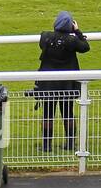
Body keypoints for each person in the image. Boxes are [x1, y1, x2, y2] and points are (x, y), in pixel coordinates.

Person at [34, 11, 89, 151]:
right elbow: (85, 47)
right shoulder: (72, 41)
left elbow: (43, 45)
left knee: (48, 113)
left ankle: (46, 146)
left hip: (48, 83)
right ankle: (70, 144)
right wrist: (78, 31)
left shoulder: (45, 37)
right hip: (67, 83)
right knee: (68, 112)